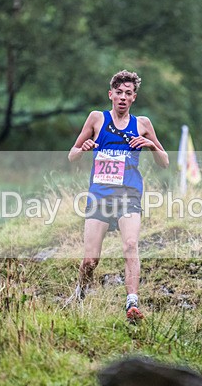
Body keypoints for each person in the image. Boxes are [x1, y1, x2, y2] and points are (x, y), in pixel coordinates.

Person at [67, 70, 169, 322]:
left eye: (128, 94)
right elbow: (72, 155)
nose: (123, 97)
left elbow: (164, 162)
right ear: (110, 94)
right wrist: (84, 147)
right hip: (100, 196)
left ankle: (132, 302)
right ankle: (79, 293)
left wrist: (151, 146)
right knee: (91, 259)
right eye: (119, 93)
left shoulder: (143, 124)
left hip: (129, 195)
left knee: (130, 245)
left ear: (134, 98)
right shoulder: (96, 119)